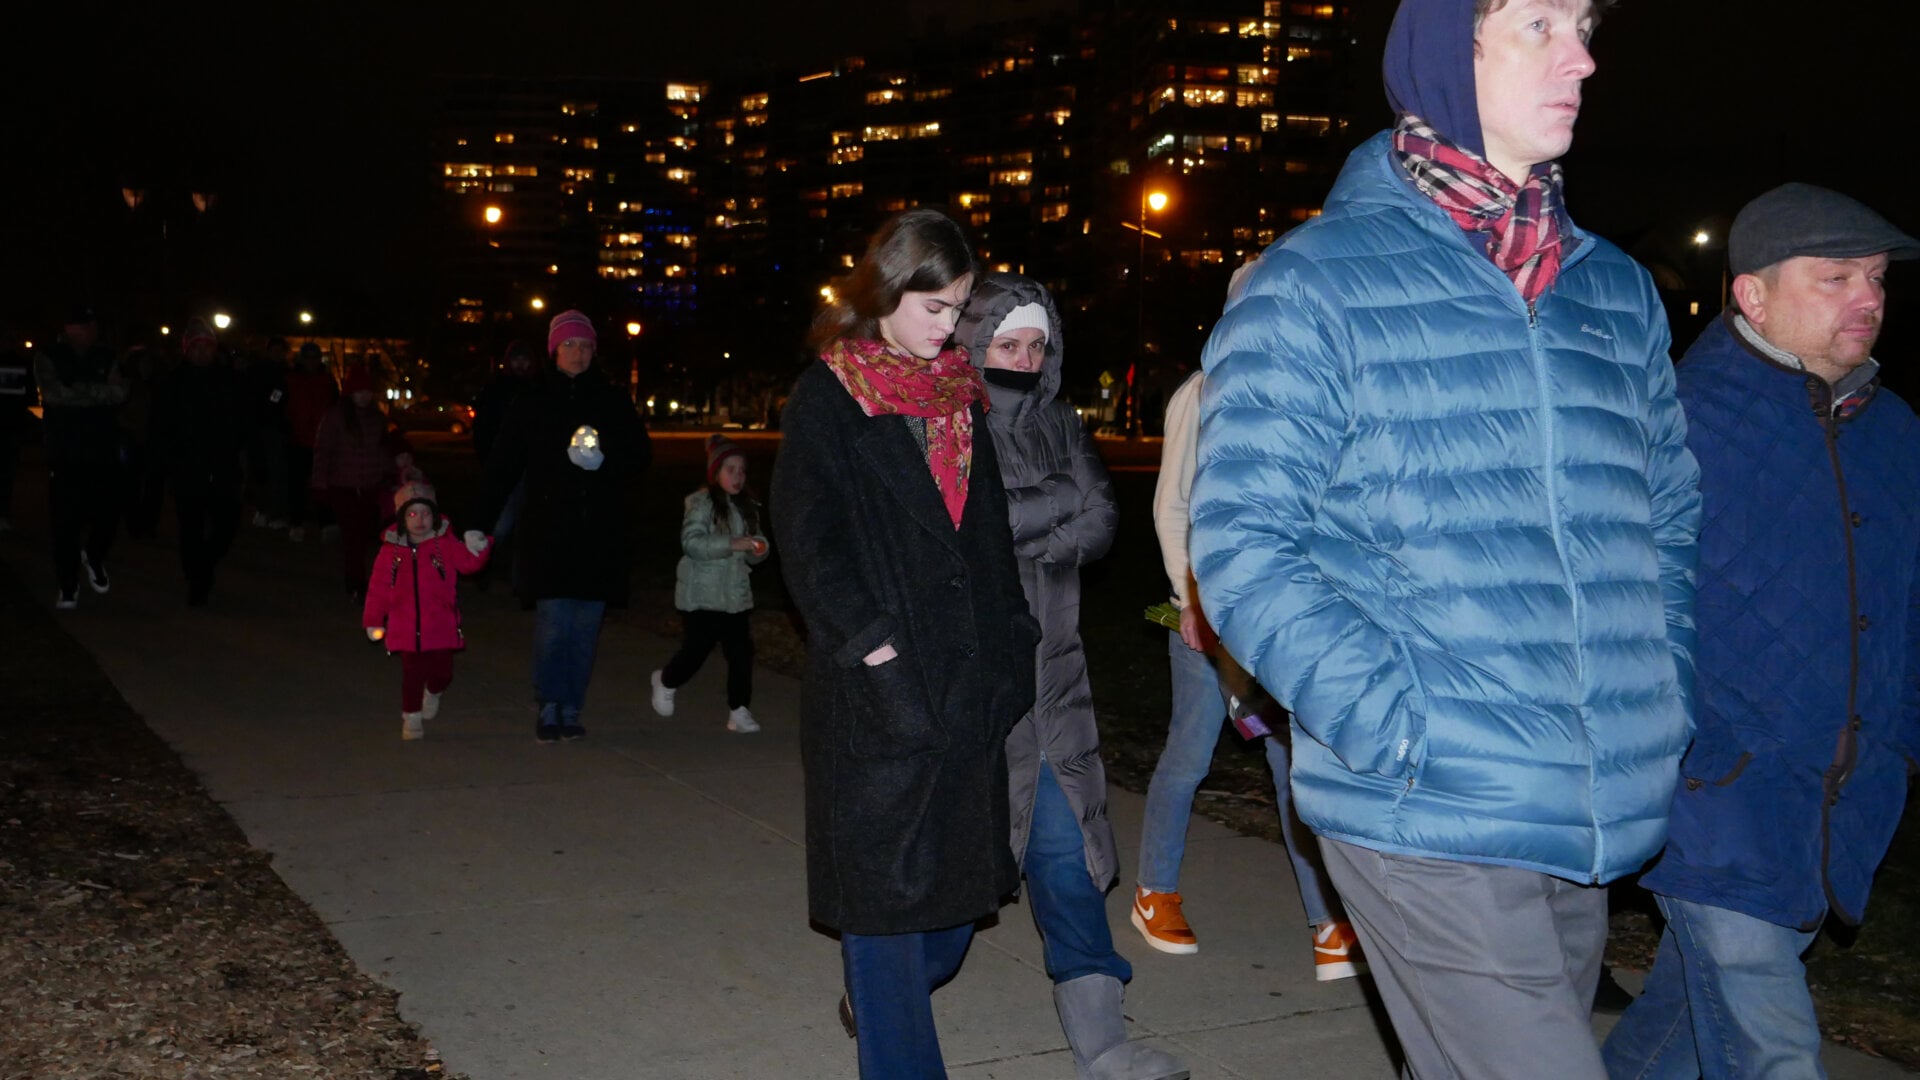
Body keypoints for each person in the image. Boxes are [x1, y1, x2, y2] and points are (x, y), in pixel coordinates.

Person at [1186, 1, 1703, 1076]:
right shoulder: (1317, 281)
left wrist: (1665, 686)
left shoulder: (1613, 292)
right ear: (1442, 53)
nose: (1584, 57)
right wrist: (1394, 728)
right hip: (1427, 800)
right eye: (1540, 25)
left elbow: (1669, 523)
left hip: (1589, 799)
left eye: (1587, 25)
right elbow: (1242, 545)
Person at [1601, 187, 1920, 1079]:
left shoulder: (1894, 433)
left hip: (1835, 805)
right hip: (1712, 796)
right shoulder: (1672, 422)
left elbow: (1906, 610)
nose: (1868, 297)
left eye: (1877, 276)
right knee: (1775, 1048)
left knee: (1678, 1023)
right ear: (1753, 295)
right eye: (1836, 276)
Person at [769, 209, 1040, 1080]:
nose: (950, 327)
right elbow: (808, 544)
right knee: (884, 911)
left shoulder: (959, 393)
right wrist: (873, 651)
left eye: (959, 309)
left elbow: (988, 537)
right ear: (885, 292)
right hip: (878, 693)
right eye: (936, 307)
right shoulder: (830, 396)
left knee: (961, 906)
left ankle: (875, 994)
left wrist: (1015, 641)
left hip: (966, 681)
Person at [954, 272, 1187, 1080]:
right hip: (975, 690)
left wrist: (1029, 520)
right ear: (973, 344)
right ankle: (890, 986)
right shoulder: (945, 424)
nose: (1021, 357)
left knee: (1065, 859)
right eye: (1005, 343)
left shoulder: (1064, 425)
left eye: (1035, 345)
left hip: (1056, 686)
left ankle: (1103, 1044)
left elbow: (1101, 521)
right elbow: (966, 526)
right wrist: (1044, 513)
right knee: (962, 870)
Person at [1135, 264, 1364, 980]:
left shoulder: (1307, 393)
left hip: (1282, 620)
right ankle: (1154, 890)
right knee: (1189, 755)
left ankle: (1327, 920)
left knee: (1294, 765)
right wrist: (1192, 603)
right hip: (1207, 617)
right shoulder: (1201, 395)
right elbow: (1172, 508)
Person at [473, 309, 650, 743]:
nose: (578, 353)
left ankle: (572, 706)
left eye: (586, 345)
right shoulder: (533, 402)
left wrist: (605, 458)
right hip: (550, 531)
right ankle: (550, 703)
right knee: (555, 623)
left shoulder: (611, 400)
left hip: (597, 532)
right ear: (554, 351)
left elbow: (639, 456)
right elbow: (502, 466)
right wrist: (480, 522)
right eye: (570, 345)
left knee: (586, 626)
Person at [651, 433, 770, 734]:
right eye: (730, 469)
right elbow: (692, 543)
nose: (738, 476)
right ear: (715, 473)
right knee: (696, 650)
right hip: (702, 595)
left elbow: (755, 546)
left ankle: (739, 709)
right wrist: (731, 543)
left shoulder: (748, 507)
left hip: (735, 597)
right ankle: (666, 680)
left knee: (742, 653)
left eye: (742, 470)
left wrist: (758, 549)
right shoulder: (701, 503)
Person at [363, 477, 491, 740]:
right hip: (404, 626)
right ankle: (411, 717)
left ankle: (433, 691)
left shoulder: (444, 544)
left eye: (425, 513)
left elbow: (468, 564)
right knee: (412, 673)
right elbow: (378, 588)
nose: (419, 519)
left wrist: (478, 547)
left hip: (439, 624)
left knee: (442, 672)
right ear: (401, 518)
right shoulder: (391, 552)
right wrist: (374, 620)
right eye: (412, 514)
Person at [148, 318, 248, 606]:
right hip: (187, 467)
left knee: (227, 523)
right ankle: (197, 579)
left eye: (208, 347)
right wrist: (163, 463)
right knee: (190, 527)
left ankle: (203, 565)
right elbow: (160, 426)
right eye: (197, 347)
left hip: (223, 465)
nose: (203, 353)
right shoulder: (174, 382)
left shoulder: (229, 380)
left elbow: (243, 420)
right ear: (187, 350)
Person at [35, 306, 127, 609]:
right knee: (65, 522)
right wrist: (96, 394)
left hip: (102, 448)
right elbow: (53, 394)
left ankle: (95, 556)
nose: (89, 331)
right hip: (65, 450)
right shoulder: (49, 356)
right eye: (84, 326)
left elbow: (119, 392)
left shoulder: (105, 355)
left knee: (108, 514)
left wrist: (80, 393)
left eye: (92, 325)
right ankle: (68, 585)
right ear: (70, 328)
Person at [311, 365, 405, 602]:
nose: (364, 395)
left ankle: (361, 579)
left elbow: (381, 450)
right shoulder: (335, 416)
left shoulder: (376, 418)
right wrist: (320, 482)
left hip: (369, 485)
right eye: (359, 391)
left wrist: (393, 474)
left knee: (363, 536)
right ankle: (356, 583)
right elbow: (324, 451)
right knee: (353, 537)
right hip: (343, 486)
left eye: (367, 391)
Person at [284, 341, 339, 542]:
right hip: (297, 440)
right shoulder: (290, 379)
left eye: (314, 358)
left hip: (322, 443)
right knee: (297, 485)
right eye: (307, 358)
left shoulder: (327, 380)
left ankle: (326, 523)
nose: (311, 362)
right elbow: (282, 406)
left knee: (323, 485)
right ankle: (296, 523)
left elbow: (335, 408)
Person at [245, 336, 292, 530]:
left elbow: (281, 396)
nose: (277, 354)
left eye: (280, 350)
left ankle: (273, 511)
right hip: (259, 426)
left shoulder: (285, 372)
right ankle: (262, 509)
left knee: (276, 471)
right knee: (261, 470)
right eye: (274, 349)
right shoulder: (258, 370)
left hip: (276, 427)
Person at [0, 329, 34, 532]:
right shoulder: (22, 363)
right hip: (12, 425)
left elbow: (29, 395)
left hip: (12, 426)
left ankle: (3, 513)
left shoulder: (21, 363)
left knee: (7, 473)